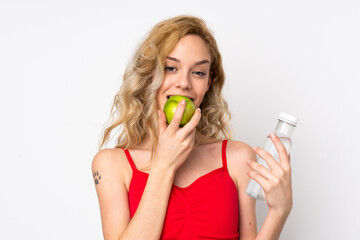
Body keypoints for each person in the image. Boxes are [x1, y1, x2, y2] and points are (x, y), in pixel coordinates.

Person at [92, 15, 293, 240]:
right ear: (150, 75)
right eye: (171, 68)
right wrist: (164, 165)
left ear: (208, 82)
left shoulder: (238, 158)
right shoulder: (111, 164)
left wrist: (279, 211)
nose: (184, 83)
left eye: (198, 72)